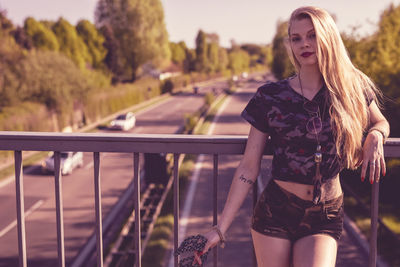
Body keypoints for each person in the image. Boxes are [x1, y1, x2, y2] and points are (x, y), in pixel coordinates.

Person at [200, 6, 390, 267]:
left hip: (325, 212)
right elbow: (248, 166)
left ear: (327, 37)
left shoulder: (351, 87)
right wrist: (220, 229)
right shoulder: (270, 96)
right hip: (275, 212)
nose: (304, 44)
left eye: (312, 35)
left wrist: (376, 136)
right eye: (296, 38)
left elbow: (380, 121)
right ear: (289, 43)